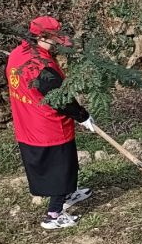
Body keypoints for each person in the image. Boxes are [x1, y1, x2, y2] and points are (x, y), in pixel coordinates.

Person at [6, 16, 94, 230]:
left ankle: (68, 192)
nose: (57, 44)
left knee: (65, 164)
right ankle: (54, 215)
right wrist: (83, 116)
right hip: (48, 127)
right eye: (55, 39)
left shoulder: (18, 54)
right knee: (59, 169)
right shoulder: (41, 67)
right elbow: (61, 99)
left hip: (27, 123)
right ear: (43, 36)